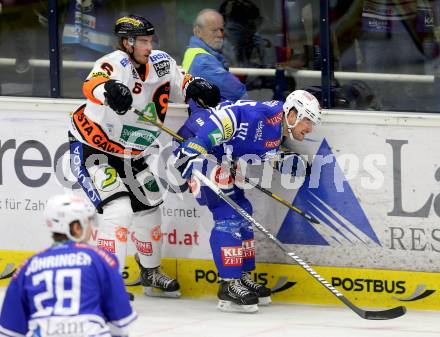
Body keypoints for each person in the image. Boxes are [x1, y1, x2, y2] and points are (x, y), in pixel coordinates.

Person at [68, 14, 220, 299]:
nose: (149, 47)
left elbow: (182, 81)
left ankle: (150, 272)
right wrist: (109, 90)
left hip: (131, 153)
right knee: (118, 211)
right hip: (94, 149)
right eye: (143, 42)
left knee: (149, 209)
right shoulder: (116, 62)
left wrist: (196, 86)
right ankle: (106, 284)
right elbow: (93, 82)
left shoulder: (161, 62)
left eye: (151, 40)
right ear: (127, 43)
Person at [173, 90, 321, 313]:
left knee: (244, 210)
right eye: (307, 120)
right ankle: (228, 285)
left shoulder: (278, 130)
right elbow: (226, 117)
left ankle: (241, 276)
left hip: (218, 155)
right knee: (228, 213)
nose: (309, 128)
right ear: (291, 114)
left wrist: (285, 161)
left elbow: (262, 150)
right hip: (196, 147)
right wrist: (195, 146)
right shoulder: (266, 116)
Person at [0, 194, 137, 337]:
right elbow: (121, 324)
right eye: (88, 222)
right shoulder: (101, 259)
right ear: (77, 227)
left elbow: (9, 331)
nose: (91, 229)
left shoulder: (27, 266)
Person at [181, 8, 247, 101]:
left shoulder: (195, 52)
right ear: (198, 32)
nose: (220, 34)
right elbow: (238, 93)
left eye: (221, 29)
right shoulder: (203, 61)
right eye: (214, 30)